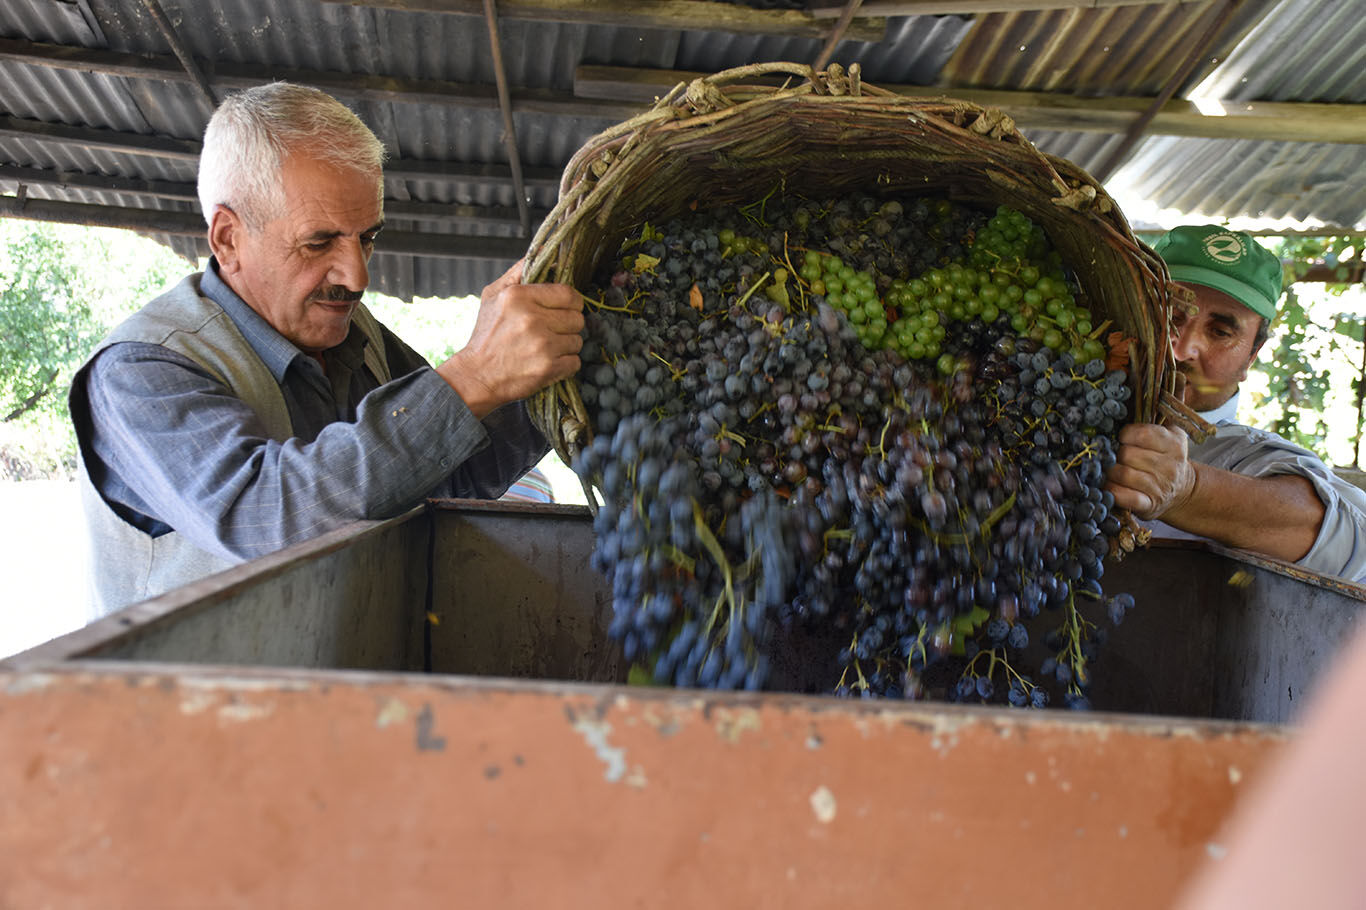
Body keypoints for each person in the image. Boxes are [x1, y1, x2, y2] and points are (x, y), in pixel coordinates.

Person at [68, 82, 584, 618]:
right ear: (226, 238)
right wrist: (475, 376)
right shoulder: (139, 370)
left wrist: (551, 362)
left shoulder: (357, 337)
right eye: (320, 242)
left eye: (367, 237)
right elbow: (265, 515)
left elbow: (453, 473)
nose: (357, 275)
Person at [1105, 224, 1366, 582]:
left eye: (1220, 332)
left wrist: (1188, 489)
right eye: (1173, 317)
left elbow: (1347, 536)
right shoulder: (1066, 409)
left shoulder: (1255, 459)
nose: (1183, 349)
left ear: (1251, 356)